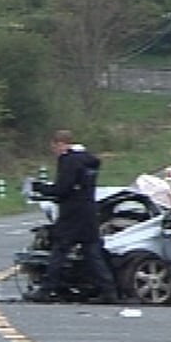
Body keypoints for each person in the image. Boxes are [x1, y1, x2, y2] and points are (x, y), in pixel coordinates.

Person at [27, 129, 118, 304]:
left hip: (72, 214)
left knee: (59, 251)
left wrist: (39, 188)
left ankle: (47, 290)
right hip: (89, 212)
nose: (54, 152)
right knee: (92, 253)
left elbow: (63, 189)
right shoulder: (89, 160)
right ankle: (109, 290)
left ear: (59, 144)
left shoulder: (68, 160)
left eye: (54, 147)